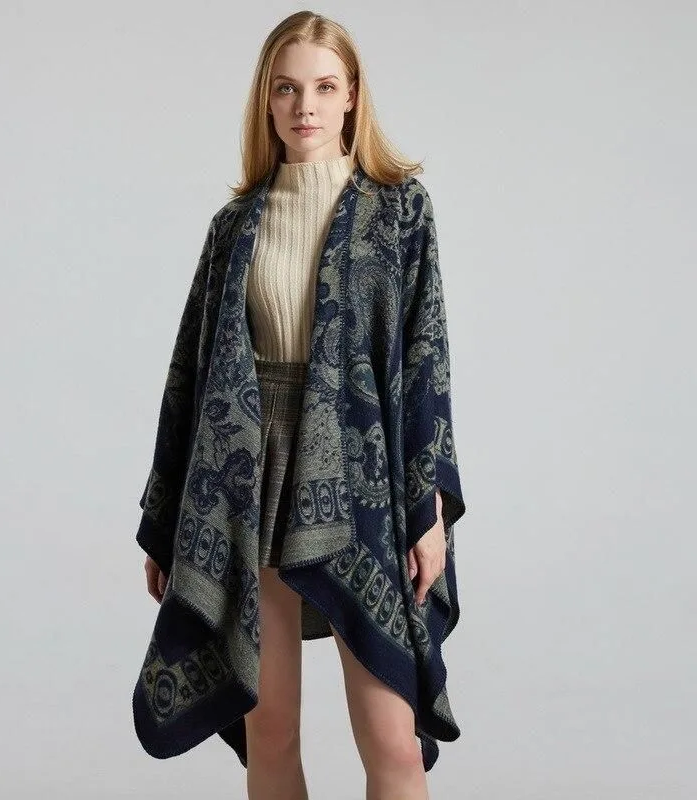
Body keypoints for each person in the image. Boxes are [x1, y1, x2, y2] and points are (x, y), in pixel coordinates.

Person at [133, 11, 466, 800]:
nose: (304, 106)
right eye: (286, 89)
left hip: (362, 481)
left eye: (323, 86)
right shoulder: (235, 226)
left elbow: (426, 363)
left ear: (352, 96)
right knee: (271, 729)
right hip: (247, 482)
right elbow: (189, 376)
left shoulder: (399, 212)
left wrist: (428, 511)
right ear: (267, 100)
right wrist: (172, 516)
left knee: (392, 741)